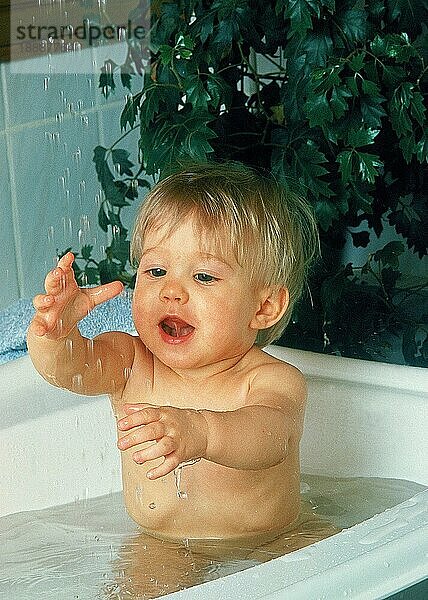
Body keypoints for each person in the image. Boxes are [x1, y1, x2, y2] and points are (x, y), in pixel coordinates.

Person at [27, 161, 320, 544]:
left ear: (263, 307)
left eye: (203, 276)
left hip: (272, 541)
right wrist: (55, 335)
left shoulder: (271, 380)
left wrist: (202, 431)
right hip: (160, 544)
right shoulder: (131, 362)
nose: (172, 291)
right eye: (156, 271)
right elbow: (70, 371)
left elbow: (270, 438)